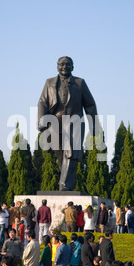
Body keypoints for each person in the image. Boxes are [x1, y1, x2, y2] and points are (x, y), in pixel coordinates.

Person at [37, 56, 98, 191]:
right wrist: (42, 120)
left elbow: (90, 105)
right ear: (57, 66)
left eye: (68, 64)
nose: (65, 67)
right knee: (61, 155)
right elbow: (42, 102)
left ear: (73, 67)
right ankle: (68, 180)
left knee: (71, 153)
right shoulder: (49, 82)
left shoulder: (80, 83)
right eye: (62, 64)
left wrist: (94, 125)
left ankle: (64, 185)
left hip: (74, 122)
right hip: (55, 122)